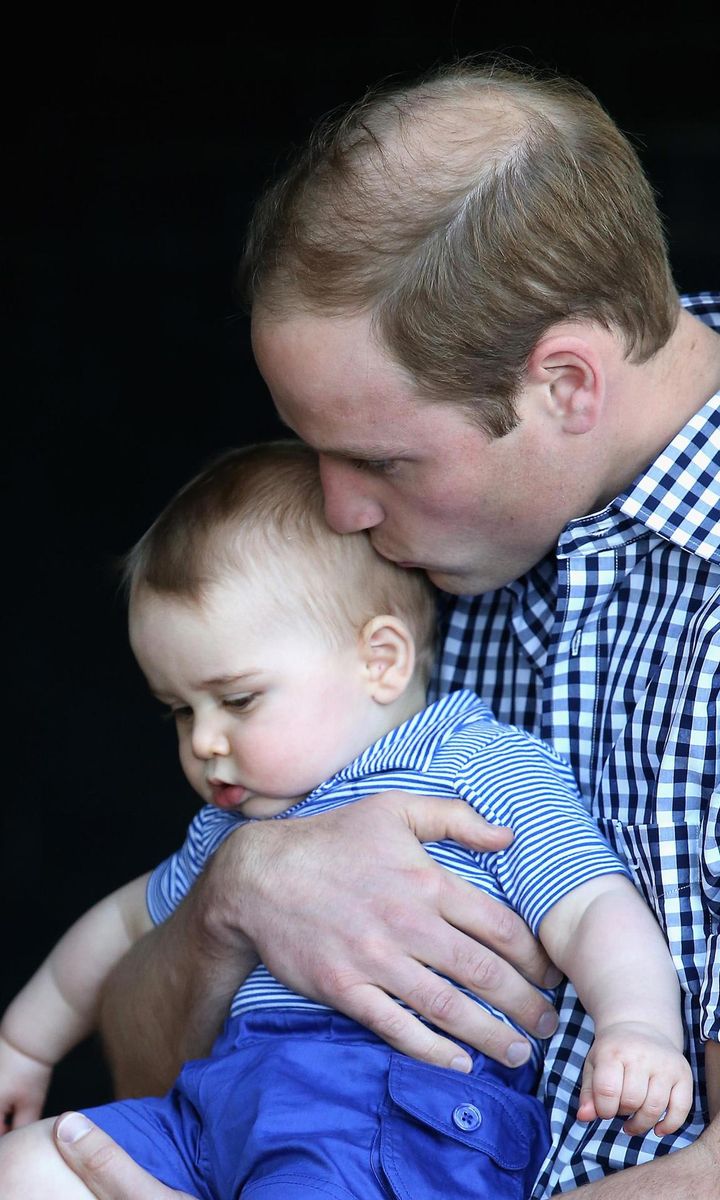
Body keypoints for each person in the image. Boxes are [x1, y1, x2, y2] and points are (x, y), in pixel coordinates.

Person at [20, 58, 720, 1198]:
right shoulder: (416, 559)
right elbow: (151, 1069)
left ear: (567, 386)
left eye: (380, 460)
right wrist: (240, 891)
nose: (339, 512)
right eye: (319, 453)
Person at [0, 440, 692, 1198]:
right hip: (220, 1108)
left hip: (390, 1110)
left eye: (237, 700)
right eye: (178, 710)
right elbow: (122, 928)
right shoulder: (238, 829)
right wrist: (23, 1046)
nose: (203, 743)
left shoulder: (470, 764)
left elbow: (591, 902)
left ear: (382, 661)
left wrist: (640, 1025)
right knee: (31, 1167)